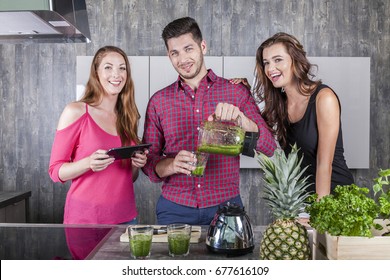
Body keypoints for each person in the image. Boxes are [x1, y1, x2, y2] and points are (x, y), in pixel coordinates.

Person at [142, 17, 276, 225]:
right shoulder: (159, 101)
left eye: (188, 49)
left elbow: (269, 146)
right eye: (174, 53)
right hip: (174, 209)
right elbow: (149, 165)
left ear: (202, 46)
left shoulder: (236, 92)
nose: (183, 58)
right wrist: (171, 164)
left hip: (226, 207)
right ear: (169, 56)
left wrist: (243, 121)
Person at [48, 46, 148, 224]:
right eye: (108, 67)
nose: (116, 74)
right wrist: (88, 163)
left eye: (122, 68)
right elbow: (55, 172)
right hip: (86, 219)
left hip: (125, 218)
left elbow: (128, 178)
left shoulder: (128, 117)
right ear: (96, 72)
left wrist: (135, 165)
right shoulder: (76, 111)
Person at [252, 32, 354, 198]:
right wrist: (239, 88)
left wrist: (320, 213)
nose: (270, 69)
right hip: (304, 200)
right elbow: (259, 133)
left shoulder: (324, 98)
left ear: (295, 61)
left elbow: (324, 164)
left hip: (334, 199)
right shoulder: (281, 104)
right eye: (266, 63)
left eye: (278, 60)